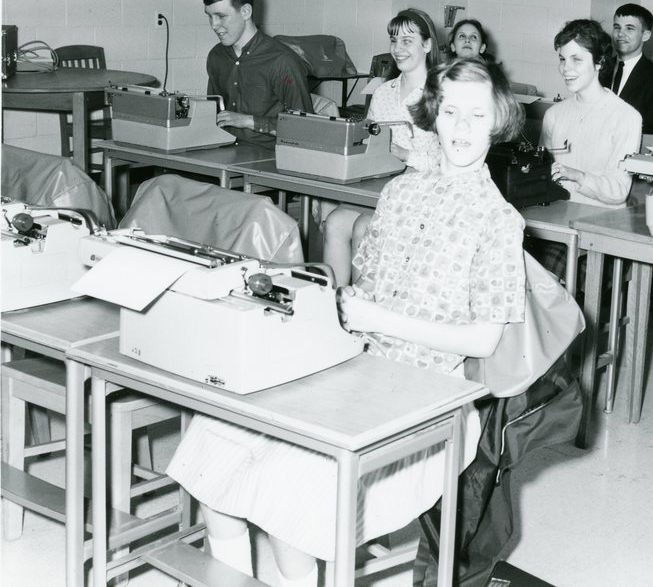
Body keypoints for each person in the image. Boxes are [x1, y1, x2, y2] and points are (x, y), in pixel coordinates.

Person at [165, 58, 527, 587]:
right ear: (434, 115)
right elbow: (356, 294)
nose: (463, 128)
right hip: (351, 367)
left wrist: (379, 318)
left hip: (426, 399)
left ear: (497, 118)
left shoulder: (498, 220)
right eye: (451, 112)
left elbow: (484, 338)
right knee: (212, 449)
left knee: (287, 506)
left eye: (476, 114)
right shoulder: (401, 193)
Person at [321, 8, 445, 284]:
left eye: (407, 41)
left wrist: (406, 154)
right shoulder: (383, 92)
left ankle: (360, 315)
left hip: (428, 194)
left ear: (427, 44)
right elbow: (368, 140)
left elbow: (453, 161)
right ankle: (335, 309)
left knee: (365, 227)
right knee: (336, 221)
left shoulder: (443, 94)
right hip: (384, 190)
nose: (398, 49)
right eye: (394, 40)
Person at [203, 0, 313, 149]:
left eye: (221, 16)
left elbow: (306, 129)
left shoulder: (282, 61)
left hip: (271, 157)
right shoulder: (216, 56)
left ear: (246, 11)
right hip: (224, 149)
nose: (214, 25)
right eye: (209, 16)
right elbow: (212, 112)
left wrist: (249, 121)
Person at [542, 19, 642, 208]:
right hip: (555, 215)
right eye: (562, 59)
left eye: (576, 59)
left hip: (599, 222)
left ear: (599, 62)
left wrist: (578, 176)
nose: (565, 68)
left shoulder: (626, 117)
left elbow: (619, 191)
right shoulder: (553, 115)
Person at [603, 3, 653, 135]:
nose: (620, 34)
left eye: (630, 28)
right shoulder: (599, 70)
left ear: (645, 35)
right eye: (617, 27)